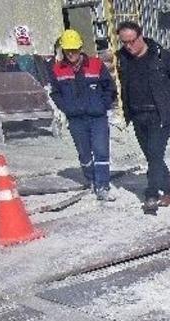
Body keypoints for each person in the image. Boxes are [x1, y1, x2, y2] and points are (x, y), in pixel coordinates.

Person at [115, 21, 170, 215]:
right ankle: (169, 192)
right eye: (124, 42)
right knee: (153, 156)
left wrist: (166, 100)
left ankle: (151, 194)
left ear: (140, 36)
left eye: (131, 41)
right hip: (138, 115)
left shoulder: (161, 56)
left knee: (155, 153)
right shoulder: (122, 59)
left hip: (160, 115)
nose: (128, 46)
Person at [49, 29, 117, 201]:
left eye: (74, 49)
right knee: (85, 154)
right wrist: (66, 107)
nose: (71, 53)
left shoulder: (95, 64)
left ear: (80, 47)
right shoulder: (57, 69)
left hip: (97, 117)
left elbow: (109, 87)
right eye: (68, 50)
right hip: (76, 119)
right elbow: (55, 93)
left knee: (101, 151)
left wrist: (103, 105)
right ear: (63, 50)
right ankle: (91, 179)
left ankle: (102, 186)